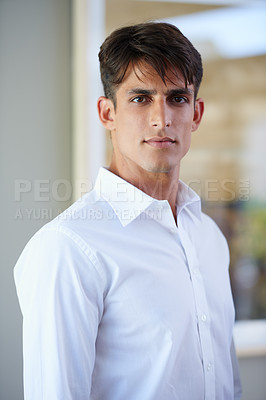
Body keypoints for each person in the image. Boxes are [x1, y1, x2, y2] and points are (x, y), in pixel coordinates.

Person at [14, 22, 242, 399]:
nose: (162, 119)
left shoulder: (208, 237)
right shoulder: (67, 250)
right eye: (140, 98)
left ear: (196, 114)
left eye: (177, 98)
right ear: (107, 114)